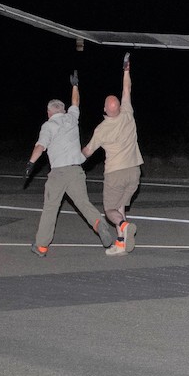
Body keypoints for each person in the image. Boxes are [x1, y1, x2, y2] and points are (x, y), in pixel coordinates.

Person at [28, 70, 112, 255]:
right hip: (76, 171)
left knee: (51, 208)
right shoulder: (71, 119)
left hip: (58, 173)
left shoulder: (48, 125)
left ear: (49, 112)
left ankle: (41, 246)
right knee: (83, 203)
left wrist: (31, 163)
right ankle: (99, 224)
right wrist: (75, 85)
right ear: (63, 110)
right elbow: (76, 103)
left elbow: (40, 146)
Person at [81, 53, 143, 256]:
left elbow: (88, 152)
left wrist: (75, 156)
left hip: (115, 173)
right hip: (134, 171)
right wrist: (126, 70)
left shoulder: (101, 129)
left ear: (105, 109)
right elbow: (127, 89)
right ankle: (121, 244)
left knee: (110, 211)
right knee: (120, 207)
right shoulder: (127, 113)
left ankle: (124, 226)